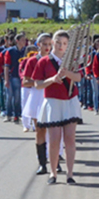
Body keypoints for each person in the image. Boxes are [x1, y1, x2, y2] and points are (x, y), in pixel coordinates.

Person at [32, 30, 82, 184]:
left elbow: (79, 77)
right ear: (53, 42)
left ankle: (70, 174)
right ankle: (53, 173)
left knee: (70, 139)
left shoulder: (72, 61)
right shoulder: (43, 62)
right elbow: (37, 84)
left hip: (70, 101)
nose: (61, 46)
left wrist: (67, 73)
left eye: (65, 44)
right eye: (58, 42)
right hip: (53, 102)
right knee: (54, 139)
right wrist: (52, 79)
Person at [25, 33, 52, 174]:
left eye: (49, 44)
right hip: (37, 96)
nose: (47, 47)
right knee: (40, 130)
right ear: (39, 45)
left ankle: (55, 160)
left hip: (52, 96)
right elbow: (25, 81)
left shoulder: (54, 60)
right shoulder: (32, 61)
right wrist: (37, 82)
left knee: (54, 130)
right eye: (44, 44)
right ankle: (42, 163)